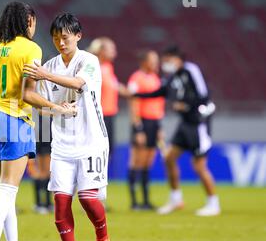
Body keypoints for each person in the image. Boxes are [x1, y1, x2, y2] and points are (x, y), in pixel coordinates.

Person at [0, 2, 75, 241]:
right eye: (33, 21)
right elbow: (28, 94)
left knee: (6, 188)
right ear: (27, 21)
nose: (35, 26)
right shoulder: (31, 48)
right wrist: (58, 108)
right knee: (8, 188)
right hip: (14, 120)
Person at [24, 13, 111, 241]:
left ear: (78, 36)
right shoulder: (48, 66)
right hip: (61, 143)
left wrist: (44, 76)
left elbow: (77, 83)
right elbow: (31, 97)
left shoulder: (89, 61)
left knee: (87, 198)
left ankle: (102, 240)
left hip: (91, 140)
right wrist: (54, 107)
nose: (61, 43)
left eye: (65, 37)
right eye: (55, 38)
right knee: (60, 201)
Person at [130, 45, 219, 216]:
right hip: (185, 124)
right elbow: (161, 92)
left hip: (198, 124)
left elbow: (203, 95)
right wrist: (137, 96)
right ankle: (176, 199)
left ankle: (213, 203)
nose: (165, 64)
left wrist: (185, 103)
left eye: (167, 60)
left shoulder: (190, 70)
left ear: (176, 59)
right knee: (169, 158)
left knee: (199, 166)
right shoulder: (174, 76)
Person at [127, 50, 165, 211]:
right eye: (153, 60)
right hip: (142, 122)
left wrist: (160, 128)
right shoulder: (136, 78)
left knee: (148, 162)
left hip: (154, 123)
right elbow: (134, 104)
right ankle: (135, 202)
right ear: (144, 62)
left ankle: (146, 201)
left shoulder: (156, 78)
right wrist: (138, 128)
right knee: (137, 161)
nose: (156, 63)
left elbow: (158, 105)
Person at [87, 38, 119, 165]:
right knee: (96, 150)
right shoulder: (92, 66)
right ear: (101, 51)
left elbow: (114, 86)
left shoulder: (108, 67)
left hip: (110, 114)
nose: (114, 52)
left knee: (108, 149)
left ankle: (100, 180)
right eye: (111, 49)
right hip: (98, 114)